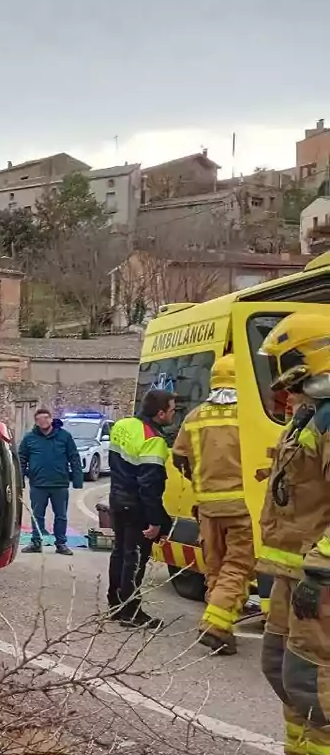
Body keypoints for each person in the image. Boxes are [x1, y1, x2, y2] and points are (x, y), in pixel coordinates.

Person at [255, 313, 330, 755]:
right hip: (294, 572)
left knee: (317, 688)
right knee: (283, 672)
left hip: (318, 577)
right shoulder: (308, 414)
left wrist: (321, 570)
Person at [171, 355, 252, 654]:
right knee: (239, 566)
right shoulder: (249, 414)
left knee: (216, 568)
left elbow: (179, 457)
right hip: (242, 506)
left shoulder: (195, 417)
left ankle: (222, 632)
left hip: (207, 507)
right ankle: (215, 625)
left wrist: (199, 482)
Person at [107, 389, 176, 628]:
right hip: (136, 506)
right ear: (160, 413)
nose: (174, 413)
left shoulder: (122, 425)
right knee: (134, 559)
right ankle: (130, 612)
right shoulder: (154, 440)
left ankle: (115, 605)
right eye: (172, 409)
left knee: (119, 554)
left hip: (116, 499)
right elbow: (149, 486)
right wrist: (156, 521)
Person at [19, 409, 84, 556]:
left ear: (51, 419)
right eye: (40, 419)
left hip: (59, 484)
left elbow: (74, 457)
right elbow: (21, 459)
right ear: (36, 422)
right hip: (38, 484)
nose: (43, 422)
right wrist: (20, 480)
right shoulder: (29, 438)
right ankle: (36, 542)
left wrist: (77, 480)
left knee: (61, 515)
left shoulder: (64, 436)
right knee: (37, 515)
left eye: (46, 418)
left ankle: (61, 544)